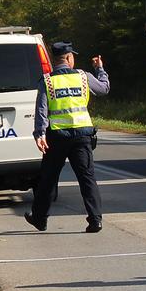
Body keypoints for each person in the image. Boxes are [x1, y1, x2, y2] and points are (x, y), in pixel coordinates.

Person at [25, 41, 110, 233]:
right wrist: (100, 69)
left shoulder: (47, 81)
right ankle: (95, 220)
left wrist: (39, 134)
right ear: (70, 58)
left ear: (55, 60)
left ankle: (40, 219)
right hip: (82, 136)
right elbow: (104, 89)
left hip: (57, 137)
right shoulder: (83, 77)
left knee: (47, 179)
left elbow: (41, 110)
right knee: (87, 178)